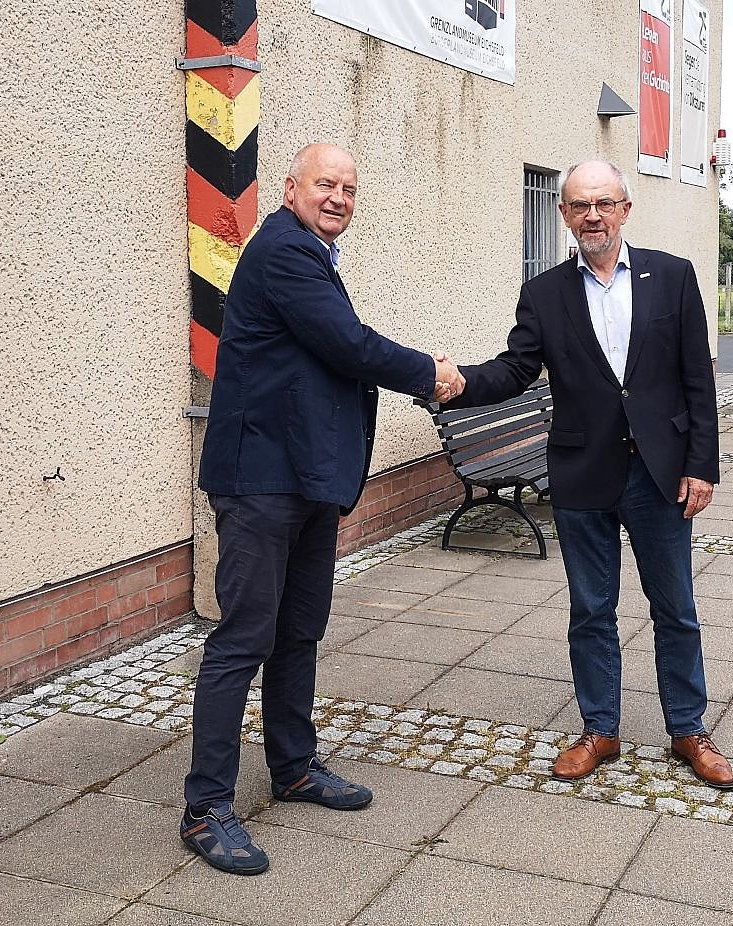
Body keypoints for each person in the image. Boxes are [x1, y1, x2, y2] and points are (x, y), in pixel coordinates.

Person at [181, 143, 464, 875]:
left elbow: (321, 358)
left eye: (348, 188)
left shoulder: (310, 251)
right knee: (243, 639)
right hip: (260, 481)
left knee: (299, 629)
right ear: (291, 190)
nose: (338, 197)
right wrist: (430, 372)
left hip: (304, 477)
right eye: (325, 184)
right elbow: (348, 345)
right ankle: (206, 808)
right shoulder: (285, 251)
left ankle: (293, 767)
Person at [449, 159, 732, 788]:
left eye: (604, 203)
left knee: (676, 607)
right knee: (591, 610)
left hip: (660, 474)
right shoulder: (545, 293)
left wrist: (701, 465)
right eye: (580, 205)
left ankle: (688, 729)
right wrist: (459, 381)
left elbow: (697, 378)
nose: (593, 216)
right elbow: (515, 369)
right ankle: (600, 729)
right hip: (583, 472)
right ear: (564, 214)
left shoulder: (673, 277)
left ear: (625, 209)